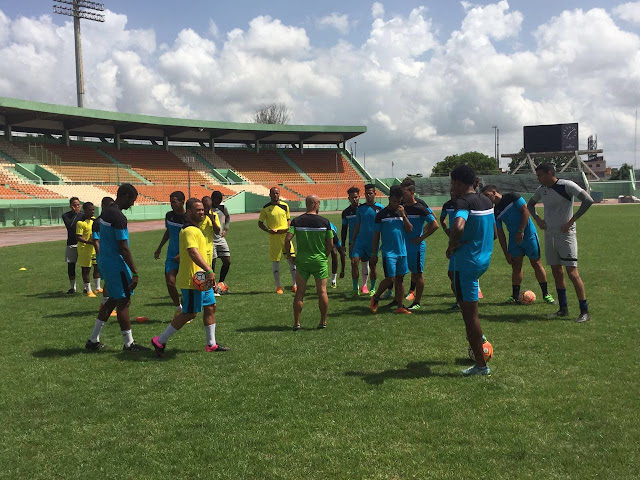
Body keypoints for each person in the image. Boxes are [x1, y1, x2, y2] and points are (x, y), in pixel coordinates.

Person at [151, 198, 229, 356]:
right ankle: (160, 341)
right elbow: (193, 252)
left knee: (210, 307)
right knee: (190, 313)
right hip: (192, 280)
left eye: (202, 209)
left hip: (202, 278)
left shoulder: (196, 229)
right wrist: (209, 270)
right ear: (188, 212)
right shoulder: (188, 230)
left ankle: (211, 344)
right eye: (197, 210)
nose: (201, 212)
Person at [527, 163, 594, 323]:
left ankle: (584, 311)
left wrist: (571, 221)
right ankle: (563, 309)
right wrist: (538, 219)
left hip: (566, 235)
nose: (538, 178)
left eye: (540, 175)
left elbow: (588, 200)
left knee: (572, 273)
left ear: (550, 173)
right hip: (550, 235)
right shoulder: (541, 189)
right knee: (557, 272)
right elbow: (530, 204)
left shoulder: (566, 185)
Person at [447, 165, 495, 376]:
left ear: (458, 182)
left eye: (452, 183)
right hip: (483, 260)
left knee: (470, 317)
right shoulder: (486, 200)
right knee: (464, 301)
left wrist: (452, 244)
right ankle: (479, 340)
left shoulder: (463, 202)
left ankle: (481, 366)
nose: (451, 187)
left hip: (467, 263)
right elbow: (492, 232)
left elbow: (457, 227)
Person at [85, 183, 143, 351]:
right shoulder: (118, 216)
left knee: (112, 300)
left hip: (105, 261)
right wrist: (135, 271)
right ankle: (129, 344)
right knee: (124, 302)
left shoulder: (106, 211)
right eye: (132, 200)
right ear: (125, 196)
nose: (132, 204)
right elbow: (123, 247)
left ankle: (93, 340)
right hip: (116, 264)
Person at [481, 185, 555, 305]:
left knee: (536, 263)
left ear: (494, 192)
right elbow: (500, 233)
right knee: (516, 267)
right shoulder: (496, 211)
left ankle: (546, 294)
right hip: (514, 241)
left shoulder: (512, 196)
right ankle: (514, 297)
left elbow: (526, 211)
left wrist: (521, 231)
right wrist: (506, 253)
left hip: (529, 235)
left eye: (487, 195)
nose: (486, 198)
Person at [284, 195, 333, 330]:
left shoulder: (297, 221)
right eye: (319, 203)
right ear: (315, 204)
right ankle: (323, 322)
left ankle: (297, 323)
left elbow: (287, 240)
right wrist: (325, 255)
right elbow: (330, 243)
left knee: (300, 292)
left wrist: (290, 256)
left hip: (302, 261)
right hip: (319, 260)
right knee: (322, 291)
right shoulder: (325, 222)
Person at [369, 186, 413, 315]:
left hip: (402, 251)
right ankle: (376, 297)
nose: (396, 204)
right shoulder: (381, 215)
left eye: (398, 201)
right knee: (391, 278)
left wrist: (404, 215)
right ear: (389, 199)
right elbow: (376, 236)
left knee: (400, 279)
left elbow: (410, 229)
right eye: (394, 201)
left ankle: (400, 306)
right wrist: (374, 254)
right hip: (389, 252)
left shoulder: (402, 212)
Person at [400, 178, 439, 311]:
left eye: (404, 193)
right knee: (401, 273)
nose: (402, 196)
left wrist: (422, 237)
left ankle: (417, 301)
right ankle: (398, 300)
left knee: (418, 274)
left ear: (412, 192)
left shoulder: (420, 208)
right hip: (404, 246)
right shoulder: (402, 208)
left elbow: (435, 224)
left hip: (416, 248)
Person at [258, 187, 297, 294]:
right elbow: (260, 223)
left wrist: (288, 227)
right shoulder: (265, 208)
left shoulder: (285, 206)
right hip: (274, 238)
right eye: (273, 193)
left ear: (279, 194)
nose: (275, 195)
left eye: (277, 193)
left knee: (292, 260)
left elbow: (288, 219)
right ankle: (278, 286)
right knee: (276, 262)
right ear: (270, 195)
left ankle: (295, 285)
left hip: (286, 237)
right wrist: (268, 230)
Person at [154, 191, 187, 314]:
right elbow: (168, 232)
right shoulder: (169, 215)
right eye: (171, 202)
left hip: (186, 255)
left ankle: (188, 309)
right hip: (171, 255)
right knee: (170, 282)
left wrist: (183, 254)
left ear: (182, 202)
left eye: (174, 201)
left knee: (186, 286)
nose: (171, 204)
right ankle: (179, 308)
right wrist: (159, 248)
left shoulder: (188, 218)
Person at [350, 184, 383, 296]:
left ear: (375, 194)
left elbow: (383, 227)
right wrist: (353, 242)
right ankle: (355, 289)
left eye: (370, 193)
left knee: (373, 264)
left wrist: (383, 242)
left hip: (373, 242)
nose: (368, 195)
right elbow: (357, 226)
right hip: (360, 241)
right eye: (366, 193)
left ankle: (372, 288)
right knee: (354, 262)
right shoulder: (361, 208)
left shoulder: (380, 208)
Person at [92, 196, 116, 317]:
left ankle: (106, 305)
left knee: (111, 281)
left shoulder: (109, 220)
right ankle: (105, 306)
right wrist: (102, 255)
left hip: (110, 256)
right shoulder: (98, 222)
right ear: (103, 206)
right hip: (104, 257)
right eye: (110, 206)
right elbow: (95, 240)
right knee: (109, 281)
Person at [75, 202, 100, 297]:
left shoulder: (95, 220)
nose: (92, 211)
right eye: (90, 209)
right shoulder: (80, 223)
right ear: (85, 210)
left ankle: (97, 288)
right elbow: (78, 237)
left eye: (93, 209)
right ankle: (88, 289)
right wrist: (90, 242)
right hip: (84, 249)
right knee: (86, 269)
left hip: (94, 249)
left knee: (97, 267)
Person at [341, 186, 362, 295]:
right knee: (354, 263)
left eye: (356, 197)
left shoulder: (364, 209)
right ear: (348, 198)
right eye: (352, 198)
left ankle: (365, 286)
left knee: (367, 263)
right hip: (353, 242)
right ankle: (355, 288)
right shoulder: (346, 212)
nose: (354, 199)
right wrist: (343, 244)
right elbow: (344, 229)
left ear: (359, 197)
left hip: (365, 240)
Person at [440, 190, 460, 310]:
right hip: (453, 240)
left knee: (458, 273)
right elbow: (442, 219)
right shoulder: (447, 205)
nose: (453, 195)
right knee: (452, 273)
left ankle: (461, 301)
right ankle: (460, 300)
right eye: (451, 193)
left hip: (462, 241)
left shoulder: (464, 204)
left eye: (455, 193)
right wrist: (446, 229)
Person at [211, 190, 232, 293]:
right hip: (210, 240)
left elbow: (228, 217)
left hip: (220, 238)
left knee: (227, 261)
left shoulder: (222, 207)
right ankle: (212, 286)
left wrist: (226, 229)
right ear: (212, 199)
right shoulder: (206, 207)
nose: (219, 202)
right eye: (217, 200)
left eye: (220, 200)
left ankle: (221, 283)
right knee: (212, 264)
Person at [62, 197, 82, 294]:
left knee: (85, 266)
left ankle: (87, 286)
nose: (77, 206)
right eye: (75, 205)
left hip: (82, 244)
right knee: (71, 265)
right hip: (71, 243)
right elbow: (70, 226)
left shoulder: (83, 215)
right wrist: (76, 214)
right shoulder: (66, 215)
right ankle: (72, 287)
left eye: (78, 204)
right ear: (71, 206)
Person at [201, 195, 221, 277]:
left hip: (209, 249)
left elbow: (217, 231)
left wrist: (212, 220)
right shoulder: (198, 215)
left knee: (210, 271)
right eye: (205, 207)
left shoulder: (214, 215)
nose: (206, 209)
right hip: (199, 248)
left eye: (208, 207)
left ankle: (212, 287)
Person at [329, 220, 345, 288]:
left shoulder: (333, 235)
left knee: (334, 253)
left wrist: (342, 271)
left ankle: (333, 280)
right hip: (319, 236)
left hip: (331, 232)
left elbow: (342, 254)